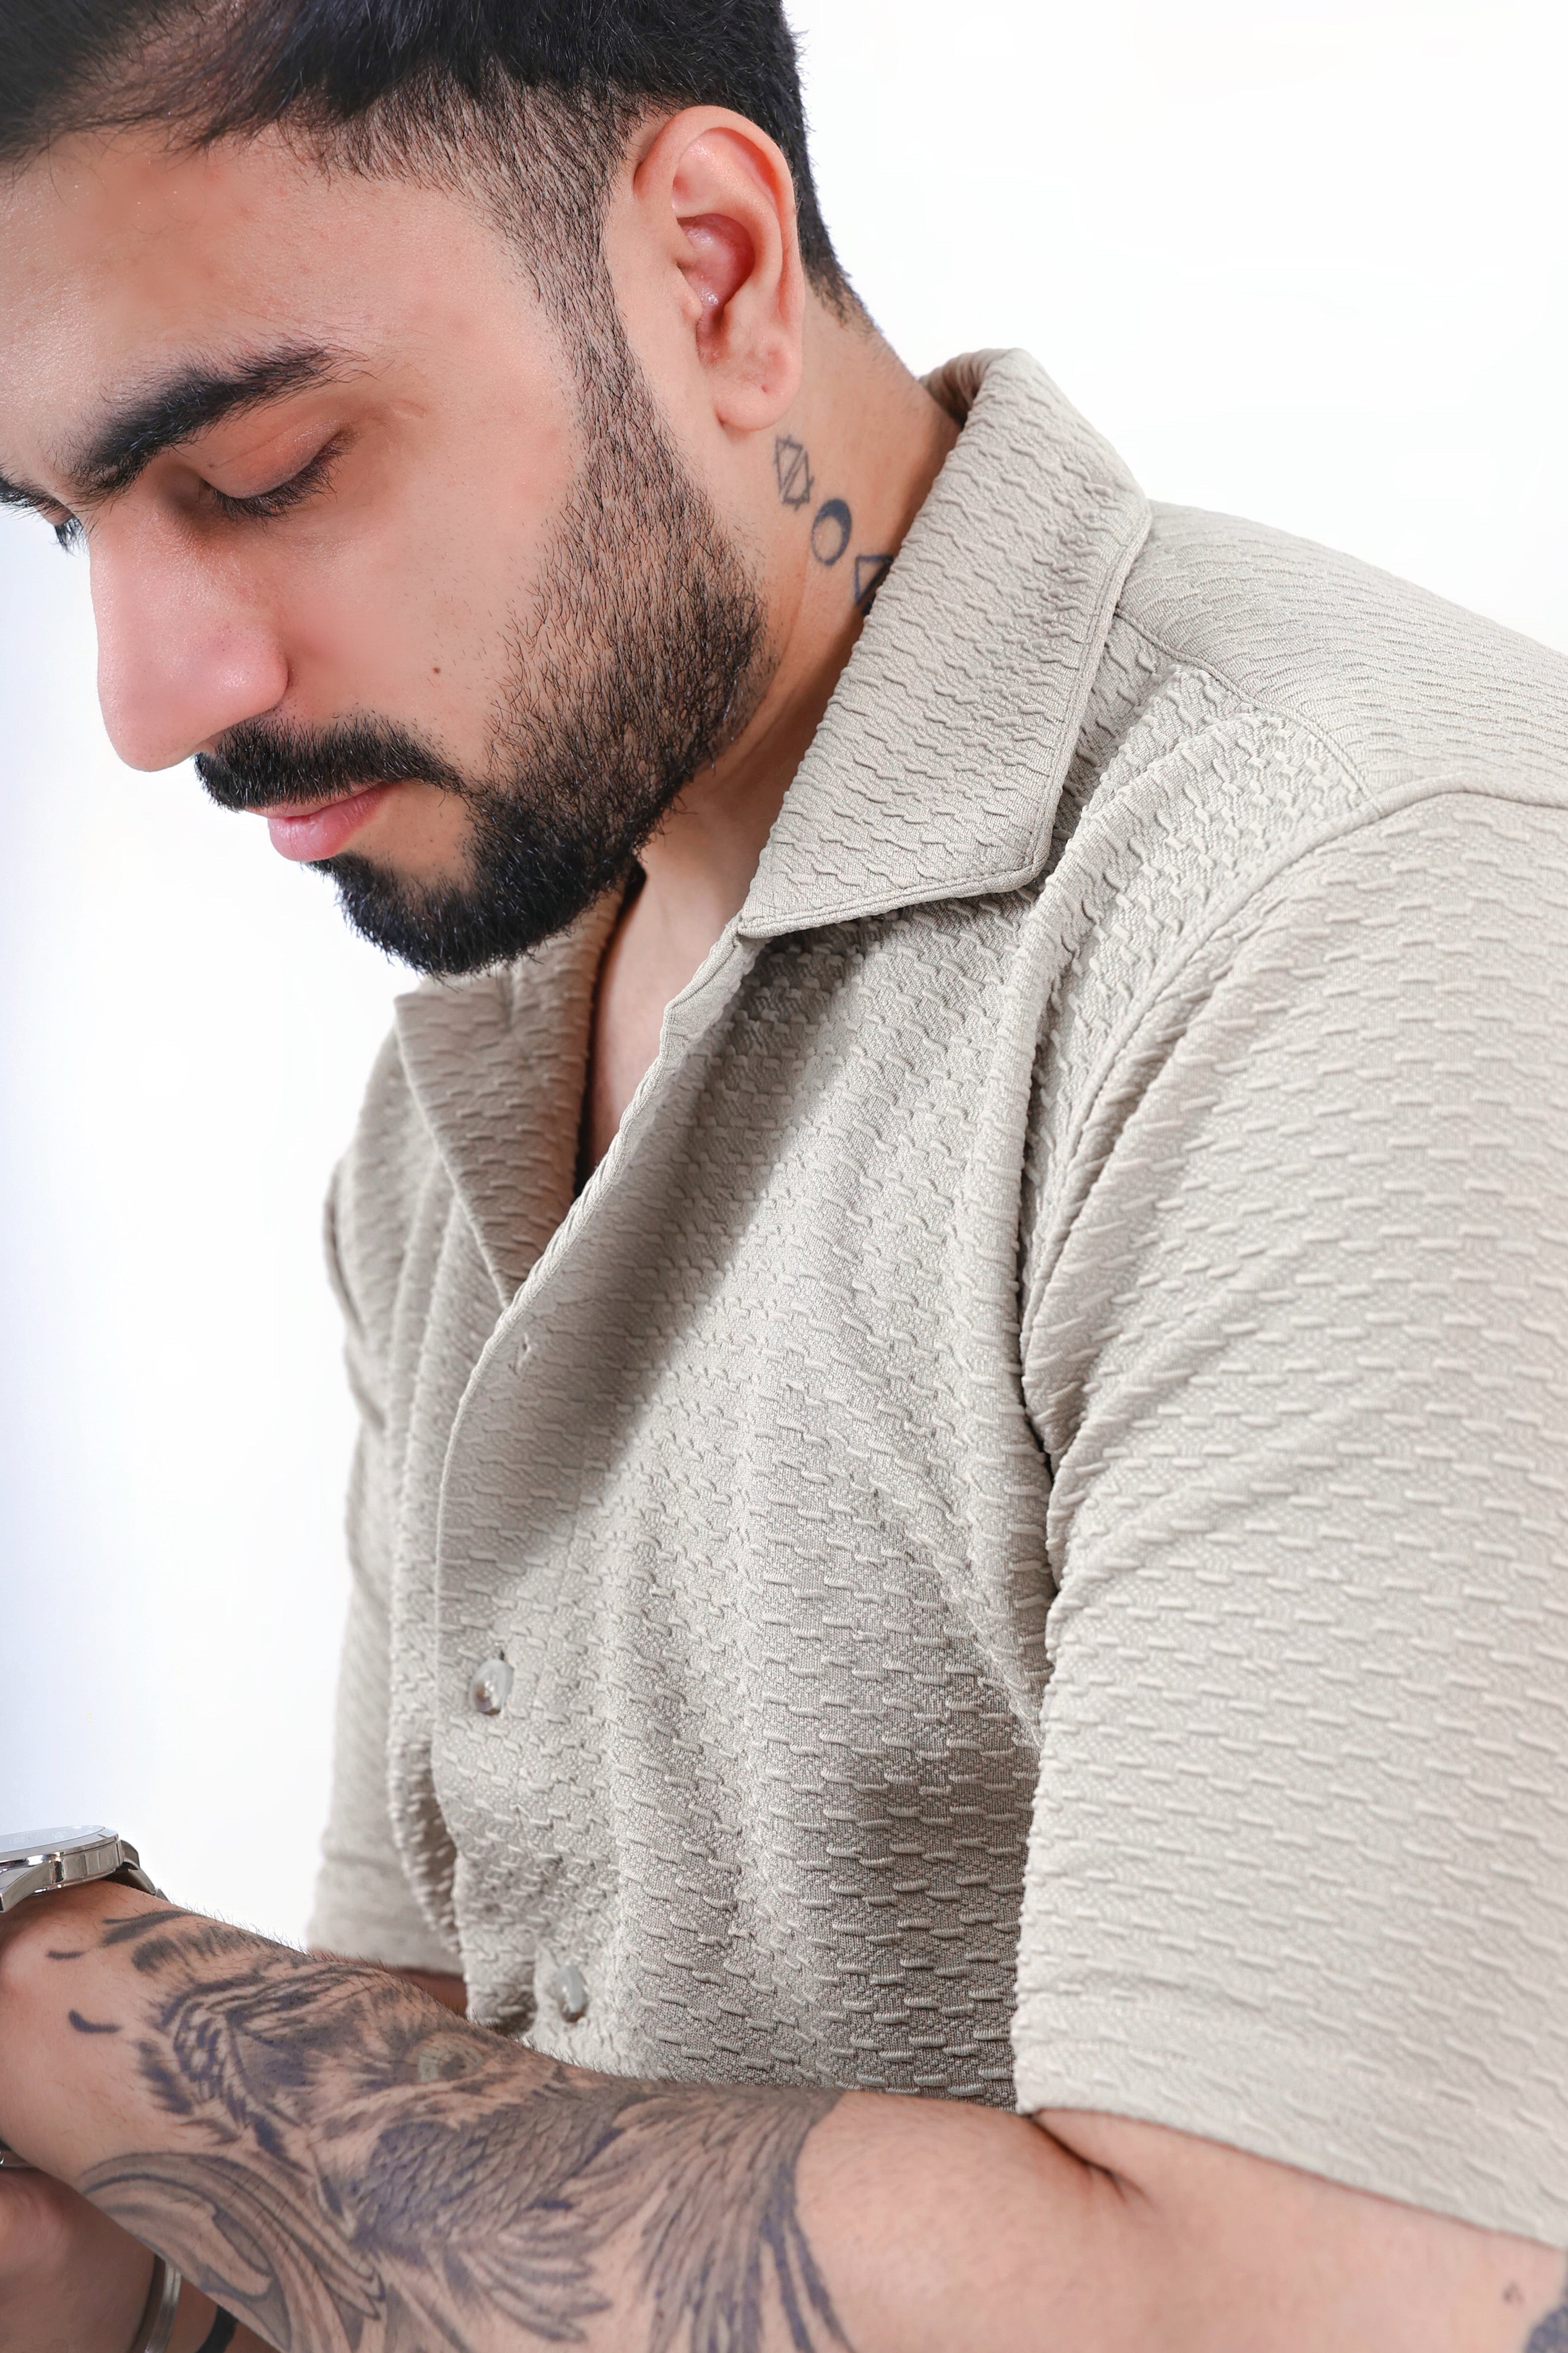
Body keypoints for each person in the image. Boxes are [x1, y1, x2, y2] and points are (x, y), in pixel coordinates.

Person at [2, 1, 1567, 2348]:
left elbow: (1289, 2311)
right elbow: (403, 2203)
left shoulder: (1359, 905)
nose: (148, 697)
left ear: (714, 273)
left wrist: (49, 1978)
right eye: (62, 532)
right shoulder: (473, 1084)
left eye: (258, 470)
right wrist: (96, 2253)